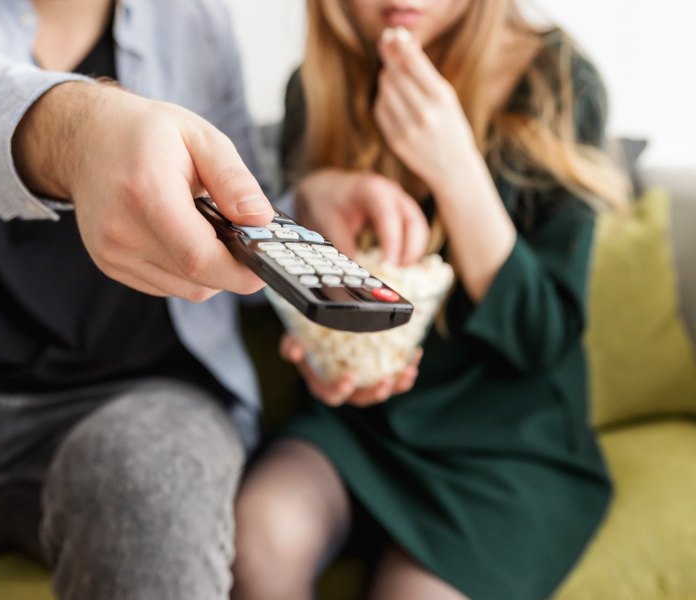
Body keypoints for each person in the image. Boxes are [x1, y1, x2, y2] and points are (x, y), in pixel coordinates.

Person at [232, 1, 629, 599]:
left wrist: (456, 167)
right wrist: (325, 351)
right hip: (360, 428)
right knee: (257, 535)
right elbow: (316, 310)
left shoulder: (557, 81)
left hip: (508, 446)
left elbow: (542, 337)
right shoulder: (316, 89)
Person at [0, 0, 276, 598]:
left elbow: (248, 197)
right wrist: (81, 134)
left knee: (152, 484)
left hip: (141, 398)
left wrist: (315, 201)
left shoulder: (196, 19)